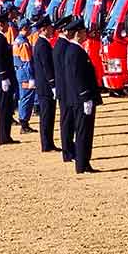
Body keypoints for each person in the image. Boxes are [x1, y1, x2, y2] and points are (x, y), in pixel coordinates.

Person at [63, 17, 102, 174]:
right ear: (78, 33)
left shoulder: (75, 50)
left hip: (80, 97)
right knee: (83, 131)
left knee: (85, 131)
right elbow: (78, 76)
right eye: (84, 31)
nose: (86, 34)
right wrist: (86, 96)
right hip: (81, 98)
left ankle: (84, 161)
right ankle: (82, 163)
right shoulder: (75, 51)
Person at [0, 11, 18, 145]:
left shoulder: (0, 38)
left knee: (7, 108)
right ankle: (3, 136)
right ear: (1, 24)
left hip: (4, 78)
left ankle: (6, 135)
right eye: (6, 23)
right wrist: (3, 77)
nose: (8, 25)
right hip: (2, 79)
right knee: (4, 108)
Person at [31, 15, 59, 152]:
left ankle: (48, 142)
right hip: (46, 86)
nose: (52, 29)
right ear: (44, 29)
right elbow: (47, 67)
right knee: (47, 115)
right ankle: (47, 144)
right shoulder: (42, 45)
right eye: (49, 27)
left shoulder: (42, 43)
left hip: (44, 85)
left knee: (49, 115)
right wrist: (53, 84)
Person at [52, 15, 75, 163]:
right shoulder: (62, 46)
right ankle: (67, 151)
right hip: (66, 90)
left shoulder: (62, 44)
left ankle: (69, 149)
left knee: (69, 121)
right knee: (67, 122)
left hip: (65, 89)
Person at [13, 19, 37, 134]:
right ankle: (24, 123)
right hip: (25, 74)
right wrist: (31, 77)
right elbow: (27, 61)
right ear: (24, 28)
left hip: (20, 72)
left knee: (23, 97)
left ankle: (24, 122)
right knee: (26, 97)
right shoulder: (23, 42)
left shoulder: (18, 39)